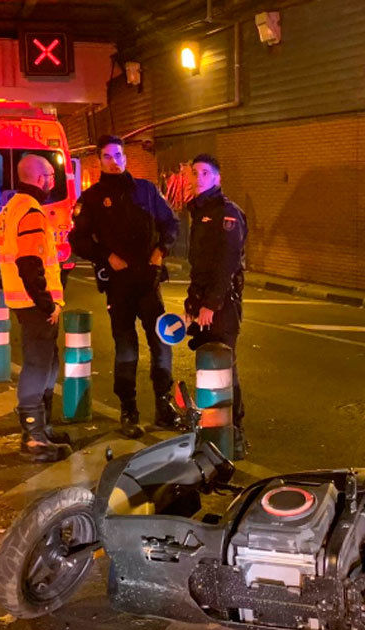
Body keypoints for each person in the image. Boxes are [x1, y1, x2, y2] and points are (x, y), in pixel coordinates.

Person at [69, 135, 181, 437]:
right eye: (107, 156)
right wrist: (106, 256)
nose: (114, 161)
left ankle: (164, 405)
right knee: (126, 347)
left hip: (149, 281)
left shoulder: (146, 190)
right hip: (118, 285)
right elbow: (77, 239)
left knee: (160, 344)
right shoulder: (92, 199)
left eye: (118, 155)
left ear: (125, 158)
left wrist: (162, 250)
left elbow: (171, 224)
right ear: (99, 160)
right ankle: (128, 410)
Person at [0, 154, 71, 463]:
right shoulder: (30, 211)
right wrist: (46, 303)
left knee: (48, 363)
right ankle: (34, 438)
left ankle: (42, 428)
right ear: (41, 179)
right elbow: (29, 263)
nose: (53, 181)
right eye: (51, 176)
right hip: (34, 303)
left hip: (25, 300)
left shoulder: (14, 206)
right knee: (38, 366)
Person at [184, 153, 248, 459]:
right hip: (205, 305)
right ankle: (212, 430)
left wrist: (210, 304)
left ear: (217, 178)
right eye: (194, 173)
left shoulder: (227, 213)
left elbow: (226, 264)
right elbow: (200, 267)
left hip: (223, 305)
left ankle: (235, 433)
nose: (199, 178)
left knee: (224, 368)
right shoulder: (199, 211)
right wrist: (192, 302)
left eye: (205, 173)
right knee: (208, 369)